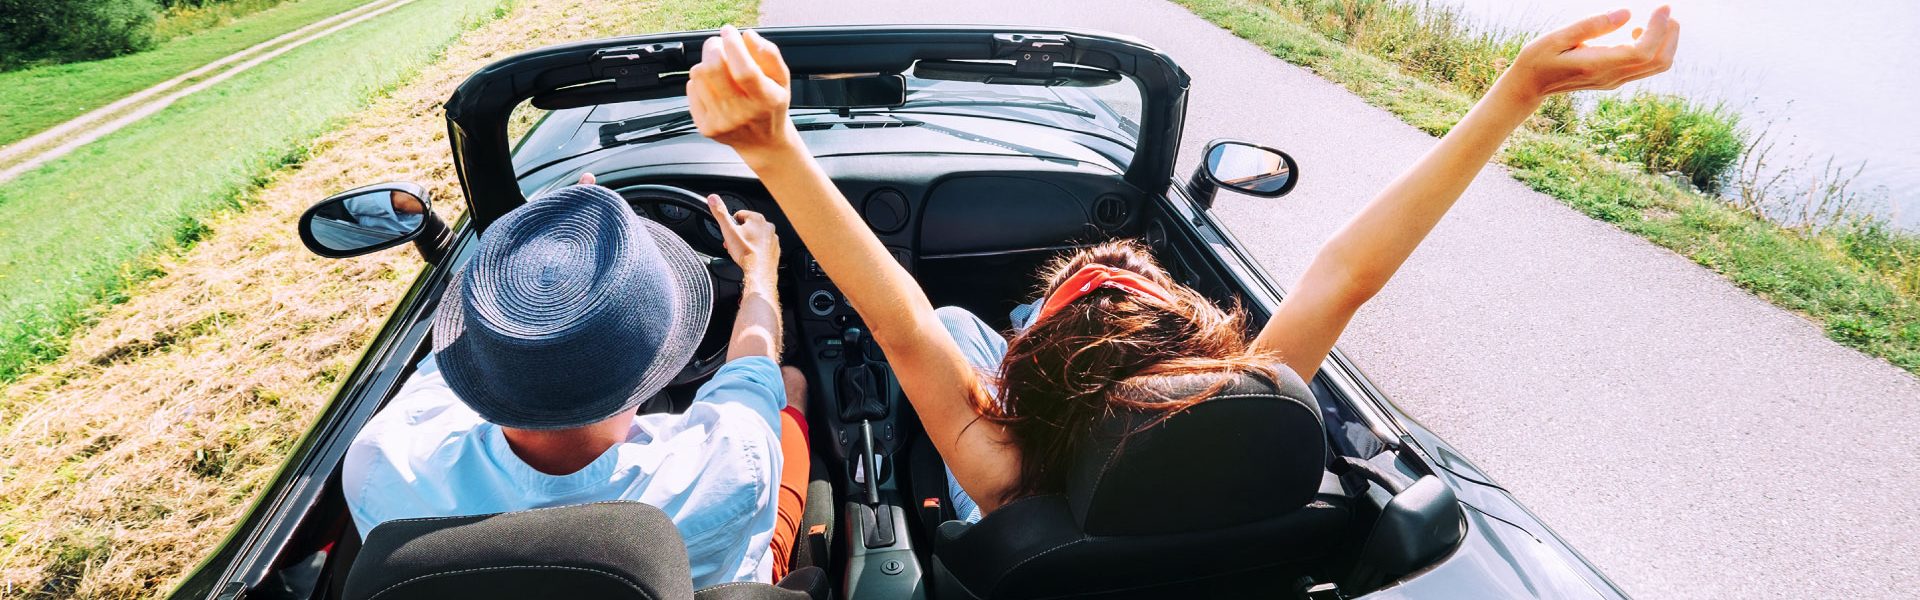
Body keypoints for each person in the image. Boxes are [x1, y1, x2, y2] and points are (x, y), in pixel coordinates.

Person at [686, 8, 1678, 520]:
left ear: (1022, 391)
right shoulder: (1253, 414)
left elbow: (901, 316)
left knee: (951, 328)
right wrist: (1519, 88)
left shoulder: (1002, 476)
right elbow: (1347, 273)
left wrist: (774, 149)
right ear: (1204, 358)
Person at [342, 175, 815, 586]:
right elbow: (754, 366)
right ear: (661, 351)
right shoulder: (734, 457)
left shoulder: (381, 460)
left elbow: (453, 354)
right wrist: (759, 269)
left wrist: (532, 265)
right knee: (790, 382)